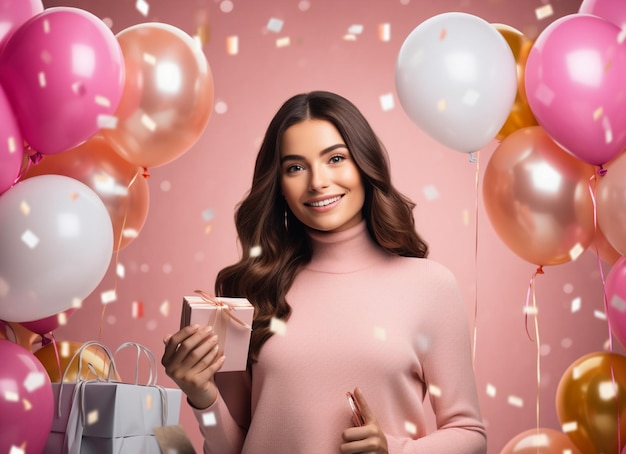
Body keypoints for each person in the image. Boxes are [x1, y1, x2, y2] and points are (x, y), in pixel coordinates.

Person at [161, 91, 487, 453]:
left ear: (364, 165)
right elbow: (231, 448)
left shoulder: (430, 286)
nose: (317, 181)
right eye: (295, 167)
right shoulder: (249, 290)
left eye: (335, 158)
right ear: (280, 186)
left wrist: (394, 451)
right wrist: (202, 396)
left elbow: (469, 434)